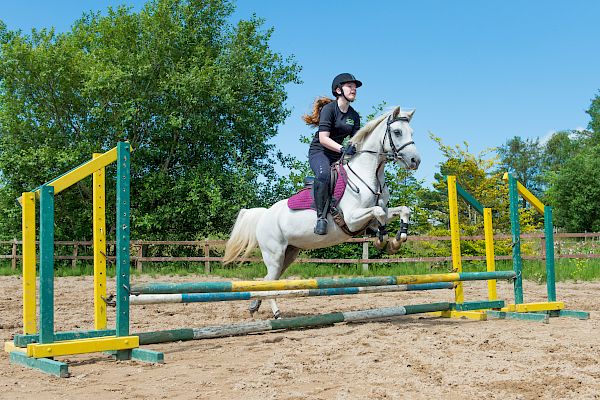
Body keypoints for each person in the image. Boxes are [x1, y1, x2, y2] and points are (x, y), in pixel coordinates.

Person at [302, 73, 362, 235]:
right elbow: (323, 138)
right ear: (338, 90)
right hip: (320, 152)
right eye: (350, 86)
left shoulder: (354, 115)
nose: (354, 89)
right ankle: (321, 217)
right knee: (324, 175)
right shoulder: (329, 110)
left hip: (337, 155)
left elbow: (356, 140)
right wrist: (343, 149)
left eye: (355, 86)